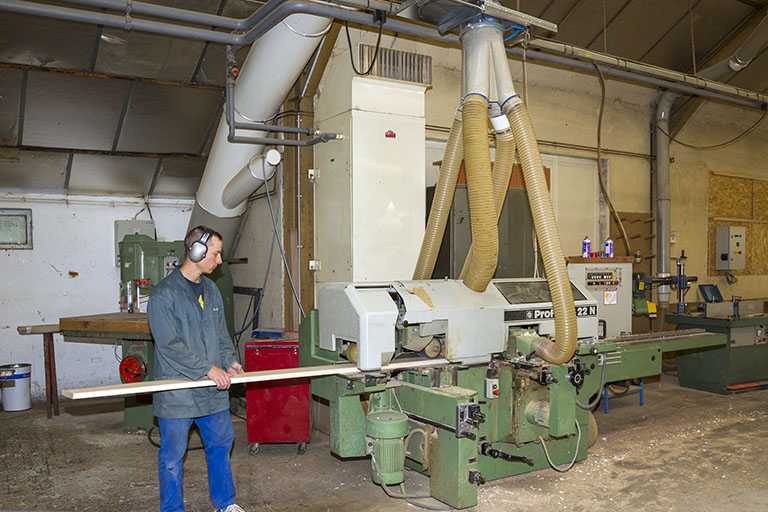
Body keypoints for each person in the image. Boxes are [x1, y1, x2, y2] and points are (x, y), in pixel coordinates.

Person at [148, 225, 245, 512]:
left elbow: (222, 335)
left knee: (220, 446)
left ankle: (225, 503)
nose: (219, 261)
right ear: (196, 251)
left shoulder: (212, 290)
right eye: (215, 254)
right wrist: (208, 368)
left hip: (212, 390)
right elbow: (169, 346)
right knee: (172, 457)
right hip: (178, 391)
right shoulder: (163, 295)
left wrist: (229, 361)